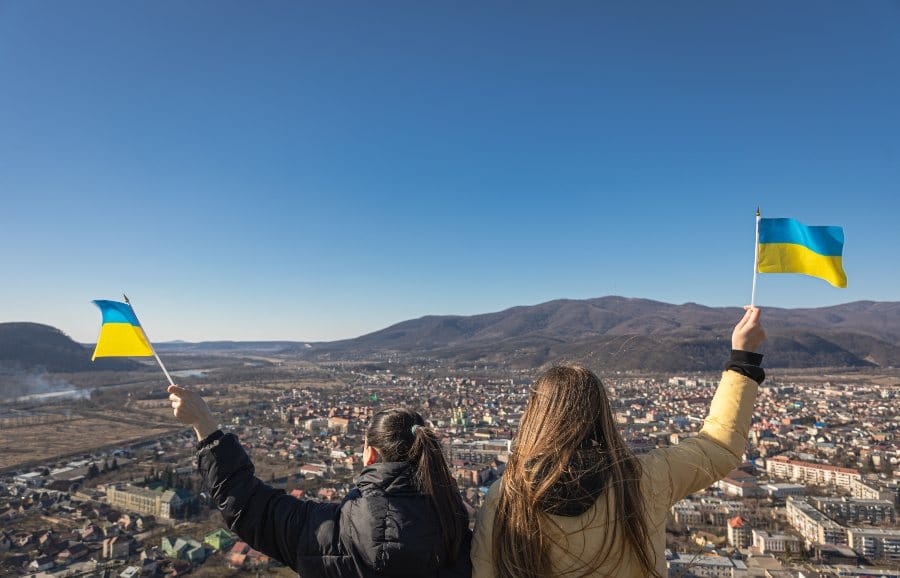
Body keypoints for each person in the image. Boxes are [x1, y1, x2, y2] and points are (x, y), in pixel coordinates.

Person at [471, 306, 766, 578]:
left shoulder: (507, 496)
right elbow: (718, 447)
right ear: (602, 413)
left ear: (535, 416)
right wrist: (743, 359)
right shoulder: (644, 477)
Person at [167, 390, 472, 578]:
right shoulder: (466, 536)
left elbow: (248, 505)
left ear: (370, 455)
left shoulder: (328, 533)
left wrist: (205, 427)